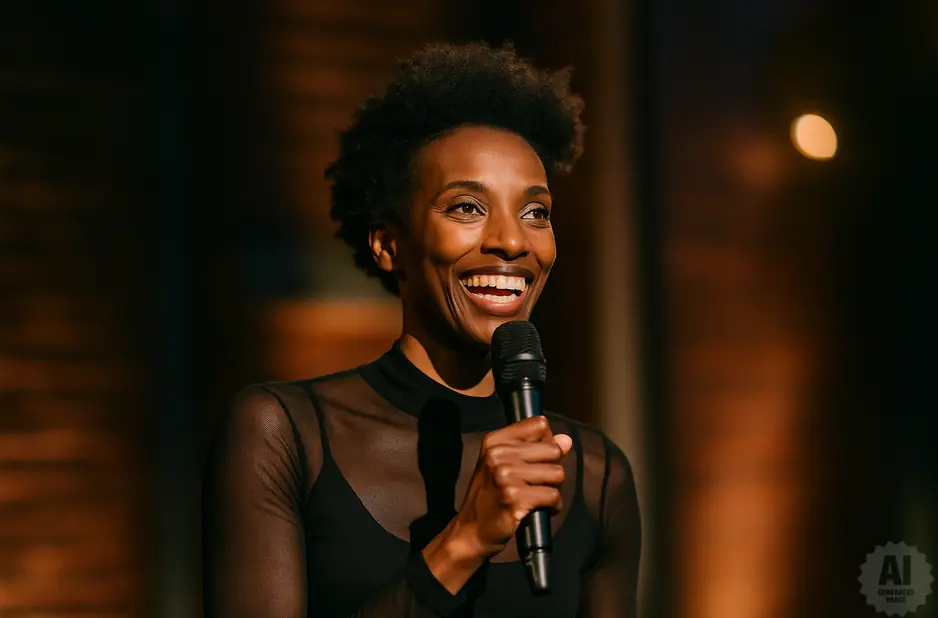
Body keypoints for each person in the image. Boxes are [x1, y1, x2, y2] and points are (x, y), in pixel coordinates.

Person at [202, 41, 641, 618]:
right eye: (466, 208)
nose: (513, 241)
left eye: (536, 213)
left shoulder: (595, 474)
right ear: (389, 245)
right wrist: (463, 544)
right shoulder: (285, 434)